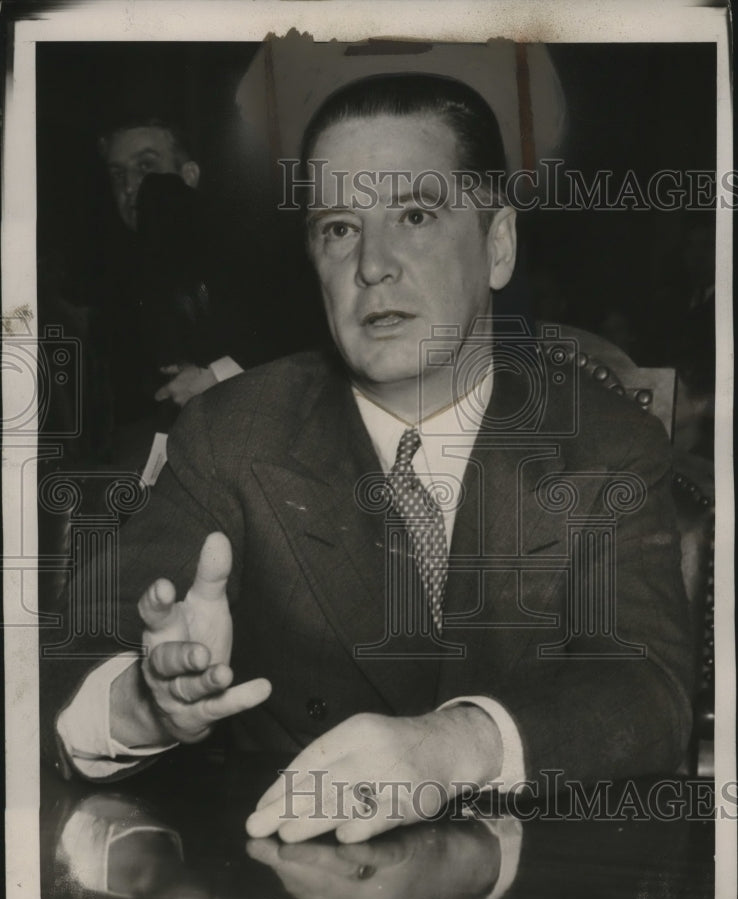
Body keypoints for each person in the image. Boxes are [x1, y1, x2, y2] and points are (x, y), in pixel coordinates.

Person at [42, 75, 693, 847]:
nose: (372, 264)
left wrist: (455, 746)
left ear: (498, 244)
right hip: (293, 883)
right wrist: (146, 704)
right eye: (339, 228)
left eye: (415, 215)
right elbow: (64, 660)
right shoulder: (235, 434)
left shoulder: (605, 444)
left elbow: (649, 688)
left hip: (530, 895)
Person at [88, 117, 246, 472]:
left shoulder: (244, 245)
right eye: (117, 174)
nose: (130, 187)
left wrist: (215, 376)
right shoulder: (114, 281)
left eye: (145, 167)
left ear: (188, 176)